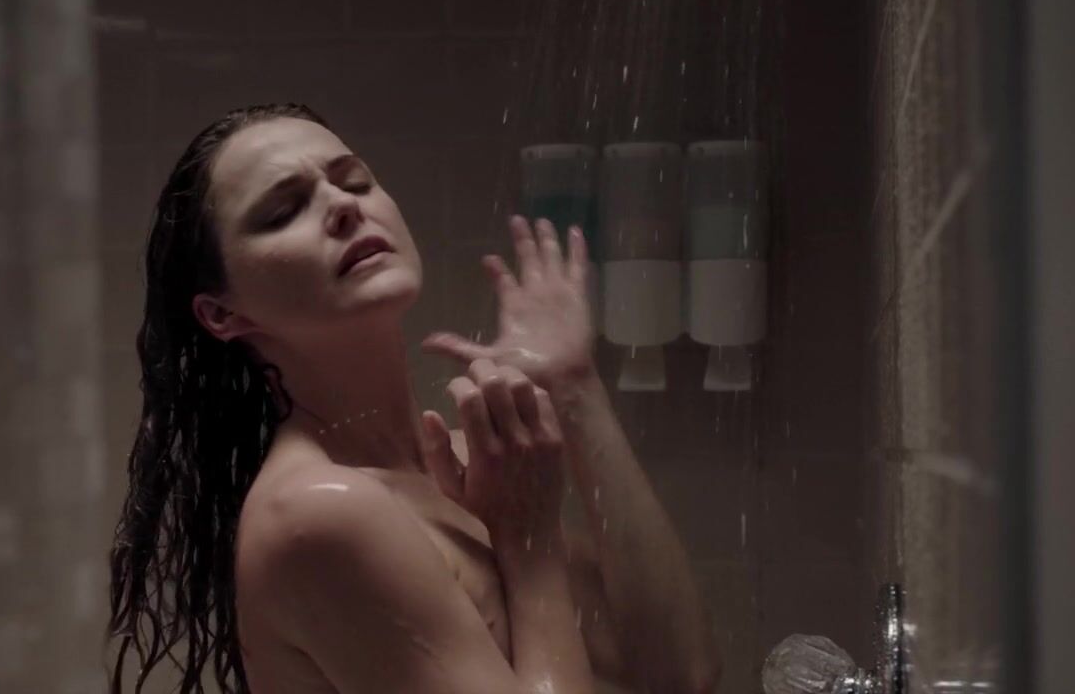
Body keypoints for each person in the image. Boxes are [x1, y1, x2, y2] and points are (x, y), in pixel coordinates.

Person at [107, 103, 719, 694]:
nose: (344, 205)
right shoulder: (317, 513)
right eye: (283, 211)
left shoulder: (464, 468)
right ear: (223, 314)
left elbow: (678, 672)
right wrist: (528, 545)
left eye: (355, 181)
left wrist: (575, 385)